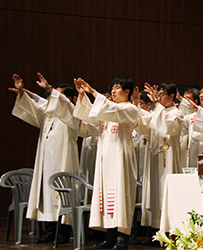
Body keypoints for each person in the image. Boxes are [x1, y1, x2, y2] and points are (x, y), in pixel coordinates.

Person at [10, 73, 79, 244]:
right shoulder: (49, 115)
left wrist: (48, 89)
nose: (53, 99)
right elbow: (35, 108)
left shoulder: (72, 113)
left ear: (69, 98)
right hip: (47, 164)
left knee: (61, 195)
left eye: (58, 95)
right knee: (47, 196)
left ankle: (63, 232)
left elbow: (62, 105)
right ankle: (49, 230)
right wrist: (22, 93)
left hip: (63, 162)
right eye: (52, 95)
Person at [73, 77, 141, 250]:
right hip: (106, 159)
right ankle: (109, 236)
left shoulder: (130, 109)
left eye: (117, 88)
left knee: (121, 195)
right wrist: (83, 97)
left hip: (121, 158)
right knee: (107, 196)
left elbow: (111, 109)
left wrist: (93, 91)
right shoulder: (109, 109)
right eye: (112, 88)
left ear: (127, 92)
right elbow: (92, 117)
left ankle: (122, 237)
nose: (113, 91)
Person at [136, 82, 184, 245]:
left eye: (162, 94)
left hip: (167, 160)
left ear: (171, 96)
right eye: (158, 94)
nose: (159, 97)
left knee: (166, 193)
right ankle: (155, 231)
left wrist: (157, 105)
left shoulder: (177, 114)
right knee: (154, 193)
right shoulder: (157, 111)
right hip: (154, 159)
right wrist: (136, 104)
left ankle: (168, 232)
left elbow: (169, 128)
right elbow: (143, 125)